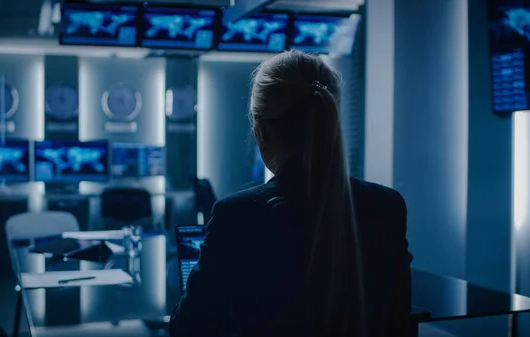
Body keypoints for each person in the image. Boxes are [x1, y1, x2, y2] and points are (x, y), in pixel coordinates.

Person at [170, 50, 412, 337]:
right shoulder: (386, 206)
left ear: (260, 129)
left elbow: (188, 328)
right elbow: (399, 321)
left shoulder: (236, 215)